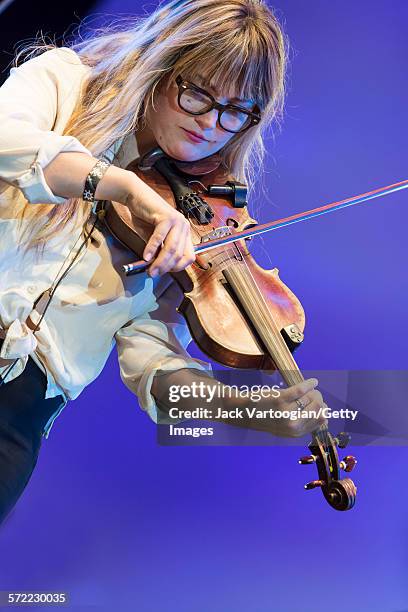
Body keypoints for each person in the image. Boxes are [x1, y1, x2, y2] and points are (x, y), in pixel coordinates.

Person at [0, 0, 326, 525]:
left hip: (14, 422)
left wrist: (250, 414)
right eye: (197, 92)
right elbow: (6, 138)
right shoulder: (63, 83)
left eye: (236, 110)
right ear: (160, 64)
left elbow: (155, 367)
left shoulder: (194, 223)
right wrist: (126, 187)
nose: (212, 124)